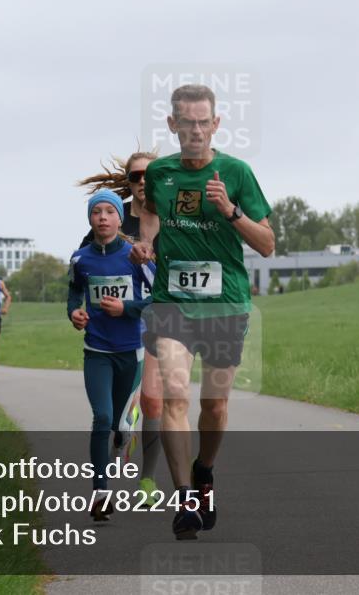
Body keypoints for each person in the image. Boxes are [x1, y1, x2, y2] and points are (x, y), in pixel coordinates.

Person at [130, 84, 274, 540]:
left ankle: (204, 469)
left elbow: (267, 245)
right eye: (185, 122)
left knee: (214, 406)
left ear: (215, 124)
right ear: (172, 125)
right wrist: (147, 243)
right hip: (172, 303)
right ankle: (186, 500)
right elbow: (150, 213)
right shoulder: (161, 173)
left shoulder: (236, 172)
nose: (194, 130)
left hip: (225, 304)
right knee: (175, 394)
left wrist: (230, 211)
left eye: (202, 122)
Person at [78, 149, 164, 505]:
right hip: (120, 330)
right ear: (128, 183)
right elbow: (85, 266)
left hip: (162, 316)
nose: (143, 182)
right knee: (119, 409)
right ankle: (119, 429)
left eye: (149, 176)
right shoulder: (113, 220)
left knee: (154, 399)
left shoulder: (174, 221)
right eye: (136, 177)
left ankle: (147, 480)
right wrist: (81, 311)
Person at [67, 189, 155, 521]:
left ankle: (123, 437)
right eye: (96, 212)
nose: (102, 217)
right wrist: (74, 313)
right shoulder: (80, 258)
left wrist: (126, 308)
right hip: (97, 351)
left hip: (131, 352)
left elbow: (155, 301)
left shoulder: (136, 257)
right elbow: (74, 292)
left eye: (109, 212)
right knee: (102, 418)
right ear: (90, 219)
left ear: (120, 219)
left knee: (120, 425)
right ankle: (101, 492)